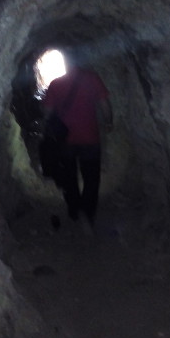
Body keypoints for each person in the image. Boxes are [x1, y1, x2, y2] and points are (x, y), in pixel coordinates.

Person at [42, 51, 112, 229]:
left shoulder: (55, 84)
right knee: (91, 178)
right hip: (90, 137)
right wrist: (109, 122)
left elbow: (47, 113)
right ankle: (88, 212)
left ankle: (74, 210)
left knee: (69, 176)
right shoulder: (92, 79)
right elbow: (104, 104)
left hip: (65, 140)